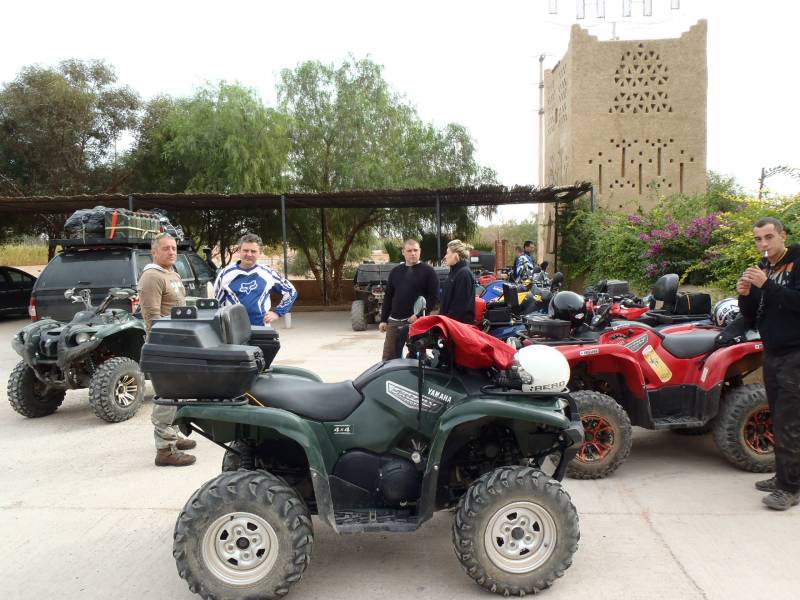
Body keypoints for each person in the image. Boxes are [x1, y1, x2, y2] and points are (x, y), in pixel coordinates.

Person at [737, 216, 800, 511]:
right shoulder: (764, 268)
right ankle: (783, 477)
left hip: (795, 352)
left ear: (782, 236)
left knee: (790, 421)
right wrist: (745, 294)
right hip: (772, 352)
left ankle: (790, 489)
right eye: (758, 239)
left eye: (768, 237)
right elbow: (753, 313)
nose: (763, 244)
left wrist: (768, 285)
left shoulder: (797, 261)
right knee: (778, 416)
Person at [138, 233, 196, 467]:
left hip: (178, 343)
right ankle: (165, 450)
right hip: (164, 345)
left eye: (174, 248)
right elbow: (152, 317)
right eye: (166, 248)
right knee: (168, 395)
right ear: (154, 252)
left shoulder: (171, 274)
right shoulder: (151, 277)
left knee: (178, 393)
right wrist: (166, 346)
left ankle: (173, 436)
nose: (172, 251)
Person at [214, 233, 297, 326]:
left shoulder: (268, 273)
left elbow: (291, 291)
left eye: (253, 251)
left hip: (261, 328)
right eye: (245, 250)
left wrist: (277, 313)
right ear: (239, 251)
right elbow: (216, 303)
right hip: (233, 330)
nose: (249, 254)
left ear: (260, 253)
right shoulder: (225, 273)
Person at [379, 239, 439, 360]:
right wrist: (383, 320)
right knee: (388, 358)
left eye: (415, 250)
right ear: (403, 252)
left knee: (417, 358)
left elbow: (433, 298)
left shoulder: (429, 271)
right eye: (409, 250)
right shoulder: (395, 272)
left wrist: (418, 315)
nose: (413, 253)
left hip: (415, 322)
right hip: (394, 321)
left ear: (420, 251)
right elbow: (388, 296)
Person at [440, 239, 476, 324]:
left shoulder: (463, 274)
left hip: (457, 328)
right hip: (449, 324)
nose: (445, 256)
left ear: (455, 255)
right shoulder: (454, 272)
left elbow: (459, 308)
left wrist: (445, 324)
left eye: (447, 253)